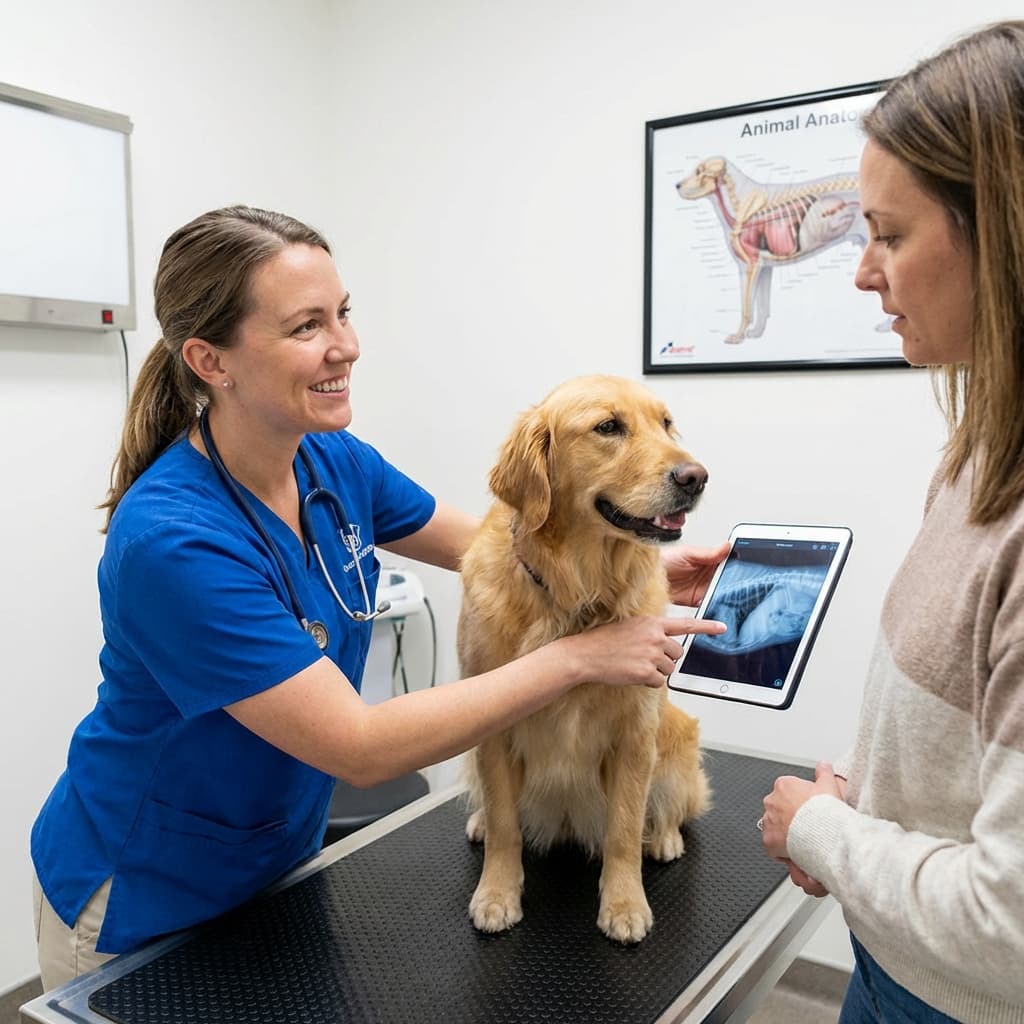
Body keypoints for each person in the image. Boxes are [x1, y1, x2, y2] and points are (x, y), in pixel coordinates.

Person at [30, 205, 729, 990]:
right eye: (306, 326)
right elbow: (358, 748)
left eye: (344, 313)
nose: (346, 346)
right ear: (210, 360)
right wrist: (581, 655)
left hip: (275, 861)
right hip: (141, 894)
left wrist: (624, 571)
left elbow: (495, 549)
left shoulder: (330, 460)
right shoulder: (173, 541)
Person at [759, 20, 1024, 1024]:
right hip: (896, 966)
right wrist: (865, 803)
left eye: (890, 233)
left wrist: (825, 829)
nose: (863, 271)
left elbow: (1011, 931)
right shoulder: (976, 452)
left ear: (1000, 227)